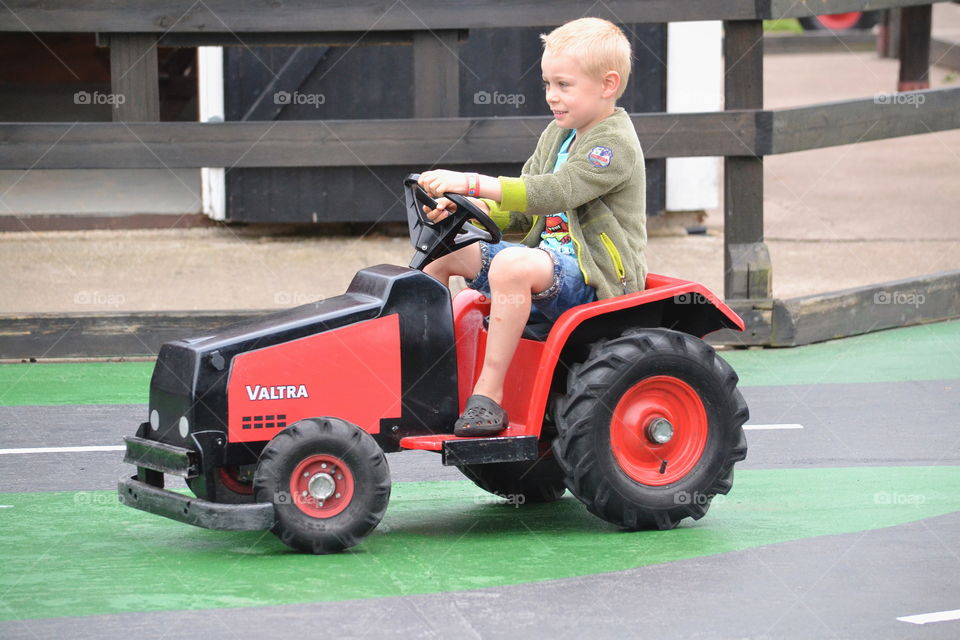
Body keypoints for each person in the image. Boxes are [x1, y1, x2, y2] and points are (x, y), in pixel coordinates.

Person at [418, 17, 647, 437]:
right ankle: (433, 372)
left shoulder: (611, 145)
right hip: (545, 264)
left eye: (563, 85)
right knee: (444, 251)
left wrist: (471, 181)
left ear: (607, 85)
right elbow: (523, 213)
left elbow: (554, 192)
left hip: (593, 275)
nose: (551, 97)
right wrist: (464, 207)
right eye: (547, 84)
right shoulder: (558, 136)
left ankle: (488, 396)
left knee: (512, 267)